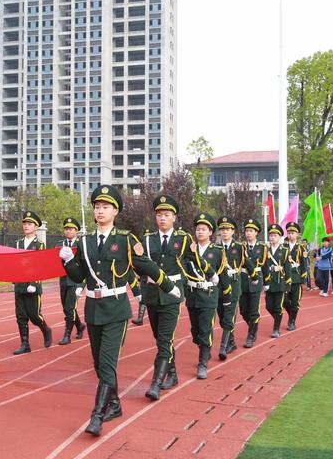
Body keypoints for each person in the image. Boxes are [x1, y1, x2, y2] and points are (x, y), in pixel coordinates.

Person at [59, 185, 181, 436]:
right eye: (97, 207)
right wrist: (68, 261)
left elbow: (145, 265)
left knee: (106, 364)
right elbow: (79, 275)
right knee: (98, 365)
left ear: (115, 211)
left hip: (116, 310)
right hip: (93, 309)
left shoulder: (125, 239)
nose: (100, 210)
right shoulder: (85, 242)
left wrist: (169, 286)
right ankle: (114, 404)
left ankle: (97, 415)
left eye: (106, 207)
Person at [142, 195, 218, 397]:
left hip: (172, 295)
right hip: (152, 294)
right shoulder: (148, 239)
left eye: (167, 215)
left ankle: (156, 384)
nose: (163, 219)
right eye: (159, 215)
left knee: (165, 339)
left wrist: (211, 273)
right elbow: (139, 265)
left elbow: (196, 259)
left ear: (174, 217)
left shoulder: (183, 239)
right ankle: (173, 373)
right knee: (160, 339)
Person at [184, 213, 222, 379]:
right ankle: (203, 348)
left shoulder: (217, 251)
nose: (200, 232)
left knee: (206, 328)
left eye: (204, 229)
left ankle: (202, 363)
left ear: (210, 232)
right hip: (192, 293)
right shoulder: (188, 250)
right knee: (195, 331)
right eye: (198, 229)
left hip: (209, 294)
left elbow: (222, 273)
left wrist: (226, 296)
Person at [12, 211, 53, 354]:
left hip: (32, 286)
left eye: (29, 224)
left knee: (34, 315)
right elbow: (13, 263)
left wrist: (34, 283)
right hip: (19, 284)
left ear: (36, 227)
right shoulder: (17, 243)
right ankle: (25, 344)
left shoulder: (39, 244)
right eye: (25, 223)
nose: (26, 226)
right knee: (21, 316)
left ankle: (46, 329)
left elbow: (40, 265)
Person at [216, 216, 256, 359]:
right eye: (222, 229)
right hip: (219, 286)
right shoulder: (216, 248)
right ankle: (231, 342)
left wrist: (254, 276)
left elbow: (247, 262)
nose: (224, 232)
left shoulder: (239, 247)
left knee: (229, 316)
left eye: (227, 229)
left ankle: (223, 347)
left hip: (233, 285)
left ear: (233, 231)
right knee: (221, 316)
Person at [57, 217, 86, 345]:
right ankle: (80, 326)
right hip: (63, 281)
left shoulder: (81, 245)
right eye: (66, 229)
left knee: (69, 308)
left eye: (70, 229)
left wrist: (82, 285)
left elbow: (85, 266)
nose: (68, 231)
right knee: (66, 308)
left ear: (76, 230)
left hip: (75, 281)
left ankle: (67, 334)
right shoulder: (59, 245)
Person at [240, 218, 268, 348]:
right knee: (243, 311)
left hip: (256, 281)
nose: (248, 233)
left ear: (256, 232)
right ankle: (253, 327)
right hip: (243, 280)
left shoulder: (262, 248)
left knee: (254, 310)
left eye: (251, 231)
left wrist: (266, 281)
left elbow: (265, 265)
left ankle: (251, 335)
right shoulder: (241, 247)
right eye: (247, 231)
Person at [264, 224, 291, 338]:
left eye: (275, 235)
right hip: (269, 282)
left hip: (280, 282)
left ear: (280, 237)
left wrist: (288, 283)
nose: (272, 237)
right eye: (271, 235)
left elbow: (288, 268)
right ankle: (278, 319)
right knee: (269, 306)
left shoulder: (284, 251)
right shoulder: (265, 250)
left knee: (278, 306)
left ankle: (276, 329)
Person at [284, 222, 307, 331]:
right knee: (284, 300)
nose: (290, 235)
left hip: (296, 277)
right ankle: (291, 314)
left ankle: (292, 321)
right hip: (284, 277)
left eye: (293, 233)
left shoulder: (301, 248)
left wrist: (303, 278)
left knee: (295, 301)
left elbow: (303, 264)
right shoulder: (283, 246)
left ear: (297, 234)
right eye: (289, 233)